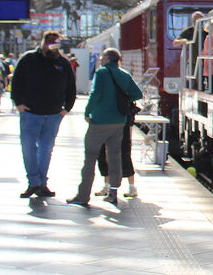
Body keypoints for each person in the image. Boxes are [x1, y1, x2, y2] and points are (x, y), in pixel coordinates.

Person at [69, 47, 142, 207]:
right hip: (119, 121)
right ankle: (113, 193)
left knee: (90, 157)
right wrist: (123, 99)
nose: (100, 59)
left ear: (108, 58)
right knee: (114, 157)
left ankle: (83, 195)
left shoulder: (101, 73)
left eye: (102, 56)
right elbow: (137, 94)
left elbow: (95, 94)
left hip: (100, 121)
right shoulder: (124, 74)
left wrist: (87, 112)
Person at [11, 31, 76, 199]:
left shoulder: (63, 63)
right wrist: (18, 103)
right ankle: (34, 182)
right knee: (28, 149)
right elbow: (16, 81)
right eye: (49, 42)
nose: (52, 46)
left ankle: (41, 183)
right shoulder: (28, 60)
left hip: (54, 114)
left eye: (55, 43)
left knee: (46, 150)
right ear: (43, 43)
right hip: (30, 113)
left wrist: (66, 108)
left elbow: (71, 87)